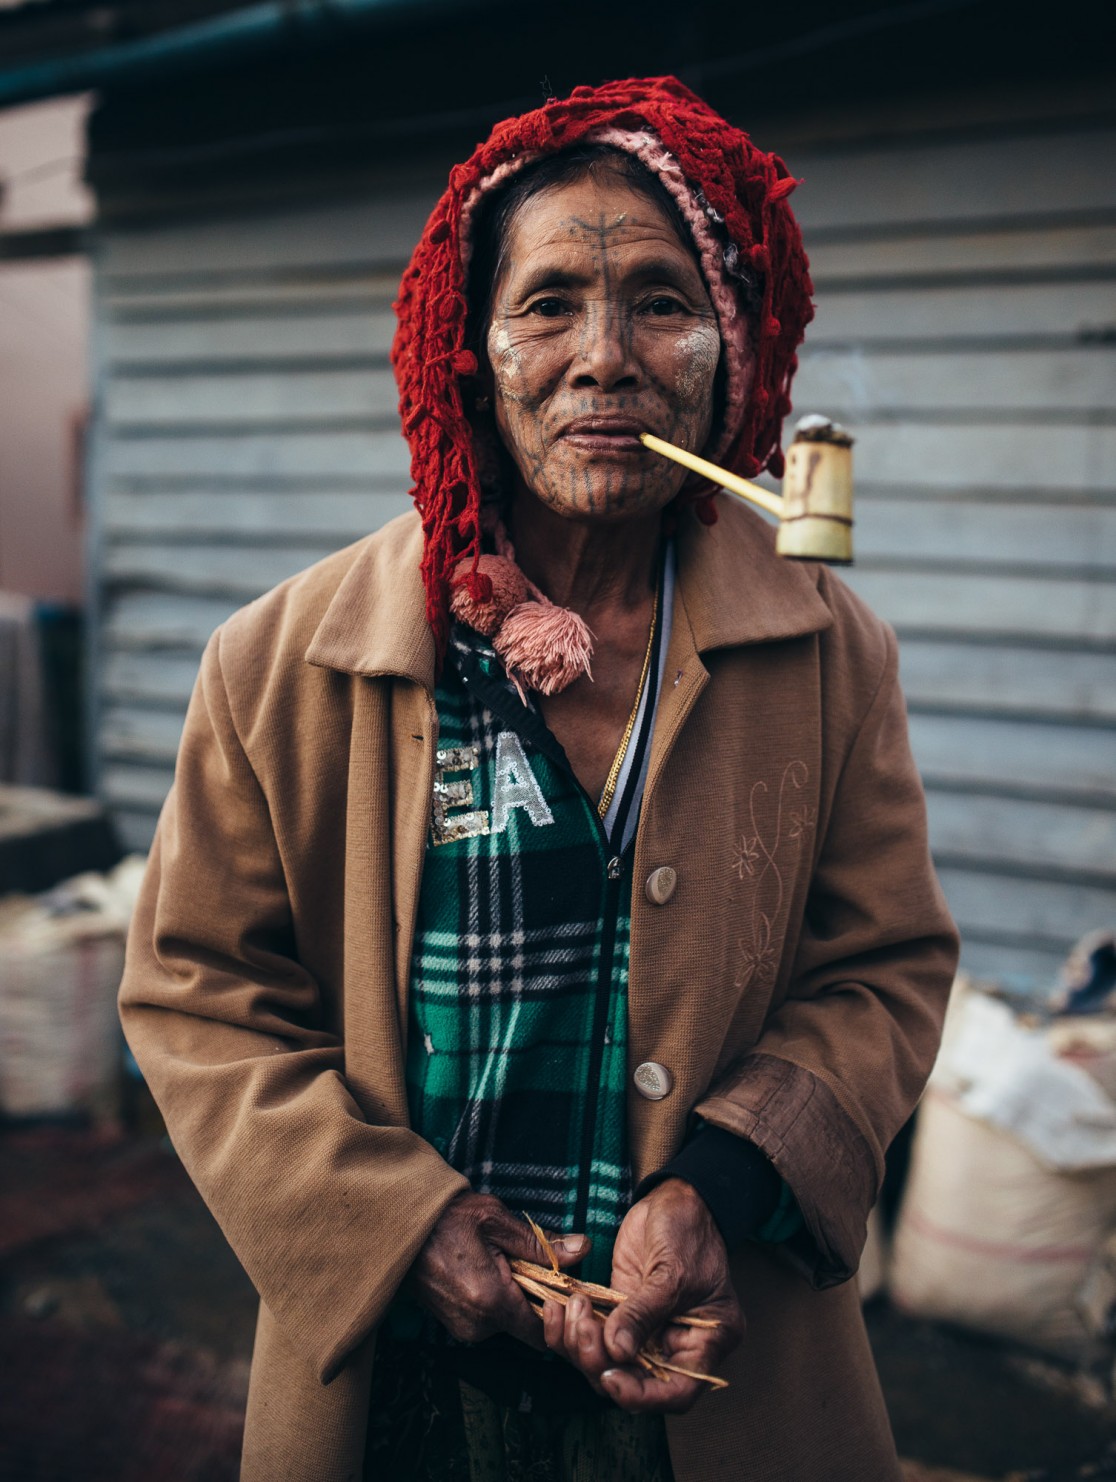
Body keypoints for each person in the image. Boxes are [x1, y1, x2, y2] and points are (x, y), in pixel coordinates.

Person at [119, 76, 959, 1482]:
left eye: (662, 303)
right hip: (394, 1388)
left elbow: (886, 967)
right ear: (475, 347)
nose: (605, 358)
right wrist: (398, 1224)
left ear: (730, 354)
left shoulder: (827, 653)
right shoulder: (280, 663)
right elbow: (196, 994)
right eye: (551, 302)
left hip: (719, 1373)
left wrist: (724, 1179)